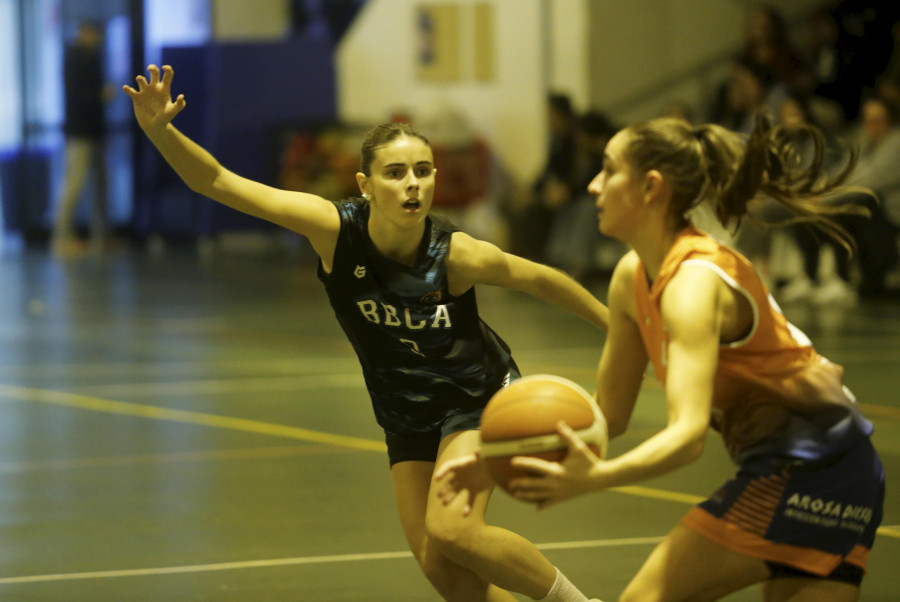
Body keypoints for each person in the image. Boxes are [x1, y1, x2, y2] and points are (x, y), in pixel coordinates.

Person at [123, 64, 608, 602]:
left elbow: (541, 279)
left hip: (476, 398)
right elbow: (217, 182)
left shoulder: (457, 254)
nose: (412, 184)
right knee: (438, 564)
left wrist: (621, 327)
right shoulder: (333, 230)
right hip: (403, 410)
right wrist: (160, 131)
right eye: (396, 172)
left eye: (423, 171)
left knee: (455, 532)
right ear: (365, 184)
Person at [439, 113, 884, 600]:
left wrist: (600, 477)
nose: (592, 185)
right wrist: (498, 454)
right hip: (841, 471)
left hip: (812, 468)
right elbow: (608, 414)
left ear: (651, 187)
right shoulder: (632, 278)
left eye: (608, 170)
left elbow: (688, 436)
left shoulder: (693, 284)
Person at [52, 21, 114, 257]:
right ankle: (61, 236)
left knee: (101, 185)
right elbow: (76, 95)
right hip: (79, 131)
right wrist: (99, 95)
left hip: (95, 129)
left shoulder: (94, 56)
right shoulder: (74, 57)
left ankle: (102, 235)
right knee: (74, 184)